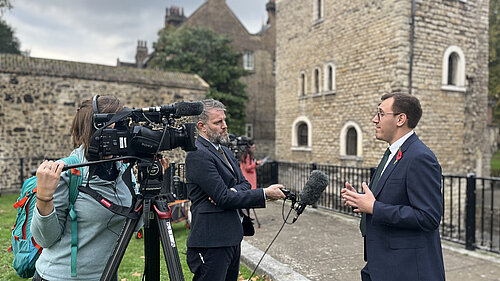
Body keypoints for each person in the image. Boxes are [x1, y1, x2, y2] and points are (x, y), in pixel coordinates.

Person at [31, 96, 164, 281]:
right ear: (94, 129)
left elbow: (135, 225)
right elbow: (45, 240)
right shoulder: (67, 173)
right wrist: (44, 198)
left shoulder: (123, 169)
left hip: (107, 275)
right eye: (117, 125)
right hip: (59, 277)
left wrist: (153, 184)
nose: (123, 132)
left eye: (124, 124)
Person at [341, 92, 445, 281]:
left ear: (400, 119)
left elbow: (429, 217)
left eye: (381, 113)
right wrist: (361, 201)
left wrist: (374, 207)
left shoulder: (420, 157)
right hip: (380, 263)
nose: (375, 120)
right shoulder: (392, 153)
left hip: (406, 269)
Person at [184, 99, 285, 281]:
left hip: (232, 234)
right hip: (212, 239)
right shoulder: (198, 154)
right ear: (202, 126)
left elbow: (245, 184)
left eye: (224, 120)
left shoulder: (225, 150)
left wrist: (231, 192)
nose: (224, 126)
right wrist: (264, 193)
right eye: (218, 122)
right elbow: (223, 198)